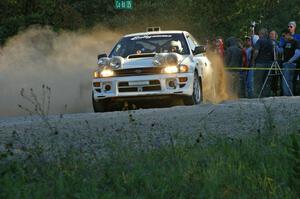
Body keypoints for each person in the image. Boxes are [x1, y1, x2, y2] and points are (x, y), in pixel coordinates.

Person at [251, 28, 274, 97]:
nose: (259, 35)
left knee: (258, 81)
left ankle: (257, 95)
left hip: (260, 63)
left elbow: (256, 52)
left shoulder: (259, 41)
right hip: (269, 64)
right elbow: (273, 52)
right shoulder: (271, 42)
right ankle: (266, 95)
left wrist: (253, 60)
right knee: (267, 81)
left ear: (262, 34)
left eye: (259, 34)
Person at [281, 30, 300, 96]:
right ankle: (290, 96)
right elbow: (281, 51)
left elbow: (298, 53)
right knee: (289, 81)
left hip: (290, 64)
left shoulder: (295, 42)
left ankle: (286, 96)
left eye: (284, 36)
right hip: (287, 64)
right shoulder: (286, 43)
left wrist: (290, 61)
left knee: (285, 81)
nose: (283, 37)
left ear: (288, 34)